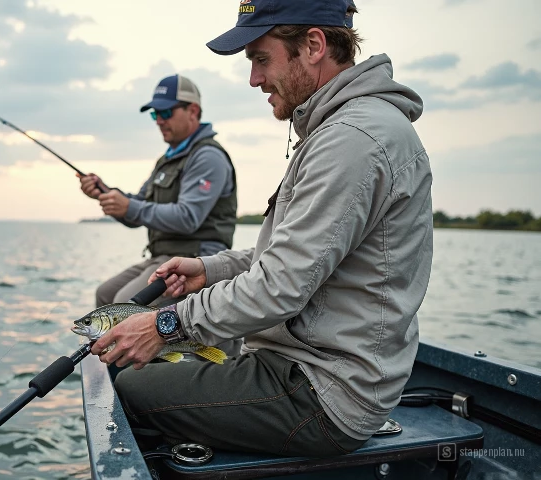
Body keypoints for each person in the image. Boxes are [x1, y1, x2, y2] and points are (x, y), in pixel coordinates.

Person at [90, 0, 434, 457]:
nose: (254, 79)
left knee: (131, 388)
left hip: (322, 393)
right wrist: (209, 270)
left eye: (260, 59)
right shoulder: (343, 131)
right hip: (304, 367)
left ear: (313, 45)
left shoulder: (352, 140)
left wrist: (166, 325)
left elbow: (279, 286)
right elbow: (292, 260)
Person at [78, 74, 237, 308]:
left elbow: (187, 218)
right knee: (105, 295)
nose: (159, 121)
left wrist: (129, 206)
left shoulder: (208, 157)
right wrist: (106, 194)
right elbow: (137, 208)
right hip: (162, 259)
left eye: (166, 113)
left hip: (195, 260)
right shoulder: (167, 159)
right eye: (155, 114)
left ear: (192, 111)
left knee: (124, 305)